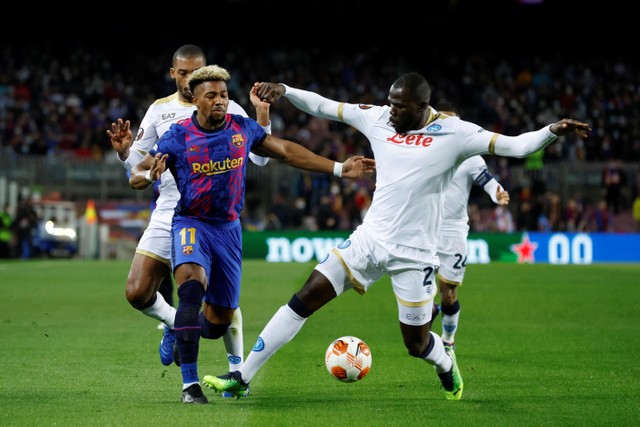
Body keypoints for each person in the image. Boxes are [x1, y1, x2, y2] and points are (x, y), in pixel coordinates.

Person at [202, 73, 590, 401]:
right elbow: (326, 106)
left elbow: (516, 145)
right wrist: (285, 90)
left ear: (423, 107)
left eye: (400, 106)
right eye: (389, 103)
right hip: (369, 239)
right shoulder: (379, 119)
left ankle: (445, 361)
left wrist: (552, 131)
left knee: (416, 344)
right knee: (305, 296)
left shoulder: (456, 133)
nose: (391, 111)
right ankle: (243, 377)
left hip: (416, 254)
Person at [128, 64, 375, 404]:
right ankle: (190, 386)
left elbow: (286, 151)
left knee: (216, 323)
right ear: (195, 100)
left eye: (224, 95)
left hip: (228, 230)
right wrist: (149, 175)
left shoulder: (242, 128)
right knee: (189, 290)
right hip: (191, 223)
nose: (219, 101)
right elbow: (137, 173)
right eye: (211, 95)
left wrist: (337, 168)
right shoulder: (179, 136)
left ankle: (177, 327)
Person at [106, 45, 271, 392]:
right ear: (174, 74)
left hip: (212, 214)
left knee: (220, 299)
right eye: (183, 73)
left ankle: (235, 369)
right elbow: (138, 169)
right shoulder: (158, 110)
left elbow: (261, 159)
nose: (189, 78)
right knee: (137, 292)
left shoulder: (229, 107)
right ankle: (173, 323)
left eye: (195, 72)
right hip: (169, 209)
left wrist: (263, 116)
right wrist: (124, 153)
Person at [430, 101, 510, 349]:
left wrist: (497, 193)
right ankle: (424, 315)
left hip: (453, 232)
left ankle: (448, 340)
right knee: (416, 286)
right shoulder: (424, 152)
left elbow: (487, 181)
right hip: (423, 228)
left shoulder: (470, 157)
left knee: (448, 292)